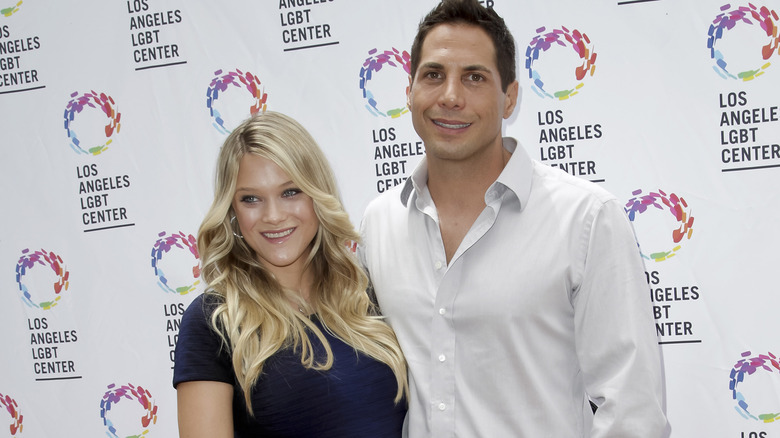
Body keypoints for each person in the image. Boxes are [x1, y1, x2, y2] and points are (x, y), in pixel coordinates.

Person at [358, 0, 670, 436]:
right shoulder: (379, 223)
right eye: (433, 75)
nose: (450, 95)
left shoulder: (585, 219)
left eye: (474, 77)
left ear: (510, 97)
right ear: (409, 92)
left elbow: (632, 412)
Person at [173, 111, 408, 437]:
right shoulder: (214, 321)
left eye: (290, 192)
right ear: (232, 211)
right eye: (251, 199)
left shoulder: (366, 292)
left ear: (317, 194)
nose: (273, 216)